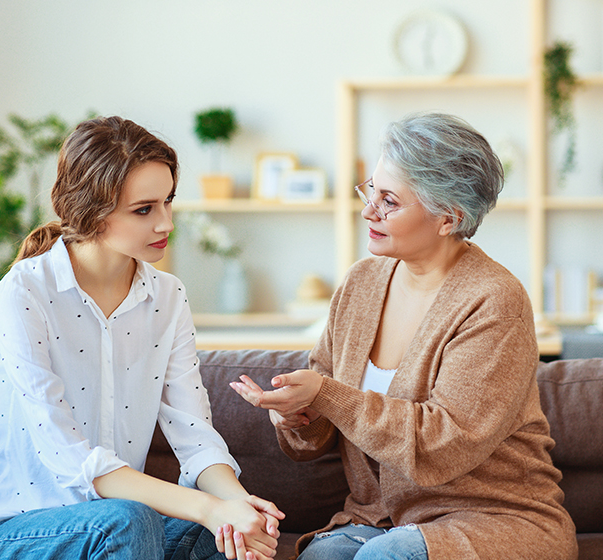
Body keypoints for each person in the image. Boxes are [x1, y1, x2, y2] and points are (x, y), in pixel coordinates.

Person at [230, 112, 578, 560]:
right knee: (323, 555)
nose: (367, 210)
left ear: (448, 218)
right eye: (370, 189)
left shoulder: (493, 300)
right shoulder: (360, 284)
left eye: (389, 200)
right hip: (379, 519)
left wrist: (328, 395)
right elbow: (317, 432)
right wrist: (297, 416)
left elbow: (443, 446)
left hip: (491, 518)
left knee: (388, 556)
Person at [0, 116, 283, 560]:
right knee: (130, 519)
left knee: (220, 538)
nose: (166, 223)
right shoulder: (24, 292)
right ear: (91, 210)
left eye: (168, 201)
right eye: (144, 209)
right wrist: (207, 507)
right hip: (12, 532)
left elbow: (195, 436)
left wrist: (234, 505)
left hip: (118, 527)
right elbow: (70, 459)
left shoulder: (168, 297)